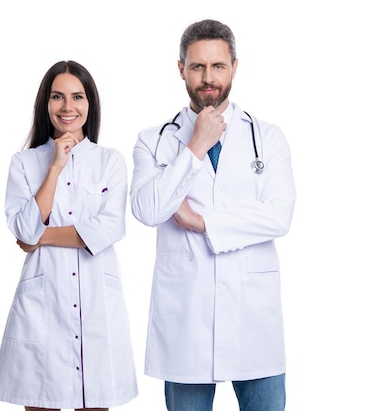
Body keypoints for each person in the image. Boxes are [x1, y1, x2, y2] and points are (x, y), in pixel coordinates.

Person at [129, 20, 296, 411]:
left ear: (234, 67)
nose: (208, 78)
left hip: (254, 320)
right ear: (181, 69)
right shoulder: (154, 141)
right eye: (198, 67)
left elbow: (279, 216)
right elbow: (148, 209)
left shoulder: (267, 137)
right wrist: (195, 148)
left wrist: (202, 223)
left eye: (218, 66)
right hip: (187, 319)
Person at [0, 60, 138, 411]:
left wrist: (39, 237)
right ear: (46, 103)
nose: (68, 107)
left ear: (90, 104)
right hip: (44, 304)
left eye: (77, 97)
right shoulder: (25, 163)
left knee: (95, 400)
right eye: (58, 97)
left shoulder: (110, 162)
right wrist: (55, 166)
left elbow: (106, 230)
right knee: (41, 400)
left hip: (95, 303)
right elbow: (25, 227)